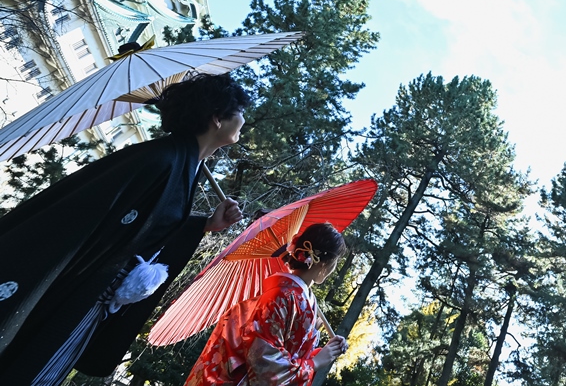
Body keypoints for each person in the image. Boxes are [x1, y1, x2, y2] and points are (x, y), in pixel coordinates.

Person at [0, 72, 250, 385]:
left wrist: (206, 224)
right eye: (239, 112)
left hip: (100, 300)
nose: (243, 120)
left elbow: (150, 225)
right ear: (217, 119)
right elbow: (99, 221)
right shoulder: (161, 159)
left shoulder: (183, 164)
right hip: (84, 290)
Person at [184, 223, 349, 386]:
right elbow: (263, 361)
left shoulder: (296, 296)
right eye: (335, 262)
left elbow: (291, 354)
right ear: (323, 263)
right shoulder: (282, 296)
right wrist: (314, 364)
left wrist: (325, 352)